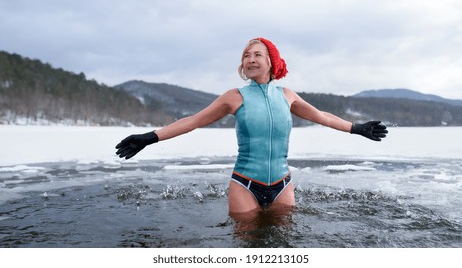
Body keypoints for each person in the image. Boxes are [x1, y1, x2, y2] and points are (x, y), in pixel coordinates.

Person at [115, 37, 388, 216]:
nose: (251, 59)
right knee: (246, 246)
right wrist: (150, 137)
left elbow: (323, 116)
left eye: (257, 54)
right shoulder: (234, 97)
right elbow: (193, 121)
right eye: (246, 56)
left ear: (271, 62)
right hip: (244, 184)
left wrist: (357, 128)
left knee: (283, 245)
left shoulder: (287, 95)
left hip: (283, 185)